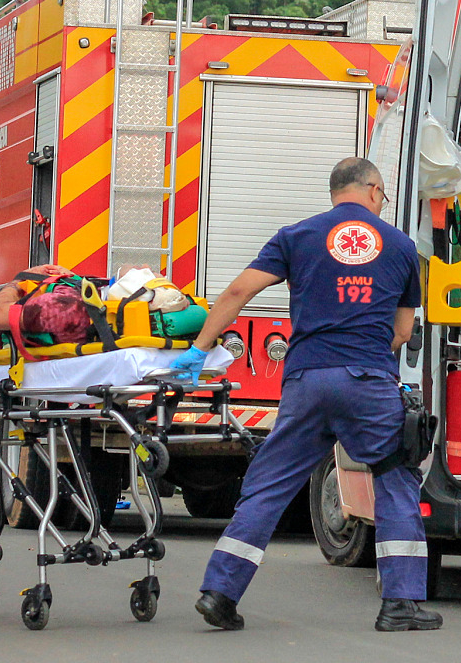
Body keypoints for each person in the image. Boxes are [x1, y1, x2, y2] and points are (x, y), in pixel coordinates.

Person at [171, 157, 442, 633]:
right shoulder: (400, 246)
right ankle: (400, 605)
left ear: (335, 192)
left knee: (269, 485)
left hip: (306, 380)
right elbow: (402, 331)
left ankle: (220, 592)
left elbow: (237, 292)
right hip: (367, 382)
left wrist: (198, 350)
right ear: (374, 190)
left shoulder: (296, 236)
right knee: (394, 479)